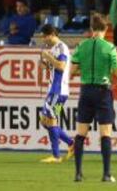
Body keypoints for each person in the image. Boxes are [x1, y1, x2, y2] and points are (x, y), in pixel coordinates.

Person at [70, 14, 117, 182]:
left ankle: (78, 173)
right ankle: (106, 174)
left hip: (85, 92)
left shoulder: (81, 46)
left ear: (91, 29)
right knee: (105, 134)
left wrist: (85, 71)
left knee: (80, 134)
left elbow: (71, 72)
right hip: (102, 92)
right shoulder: (110, 48)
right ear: (106, 29)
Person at [38, 24, 74, 163]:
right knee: (45, 120)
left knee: (50, 119)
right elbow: (54, 67)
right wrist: (45, 64)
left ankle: (56, 155)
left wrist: (48, 56)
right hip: (55, 91)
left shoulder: (61, 47)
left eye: (44, 36)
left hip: (58, 91)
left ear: (52, 34)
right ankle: (71, 143)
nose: (43, 39)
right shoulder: (53, 49)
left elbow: (61, 66)